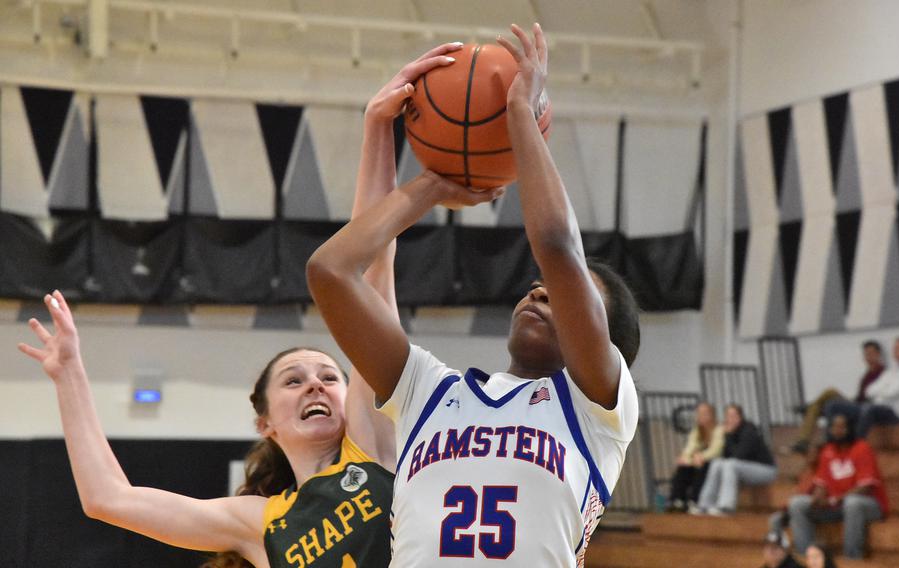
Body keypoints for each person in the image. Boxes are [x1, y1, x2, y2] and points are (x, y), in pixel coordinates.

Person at [17, 43, 465, 568]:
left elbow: (374, 265)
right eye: (294, 381)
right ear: (266, 424)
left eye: (327, 376)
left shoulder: (371, 445)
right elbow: (108, 499)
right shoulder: (259, 523)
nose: (317, 384)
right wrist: (68, 373)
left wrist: (376, 130)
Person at [307, 22, 640, 566]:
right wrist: (431, 184)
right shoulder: (427, 392)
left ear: (609, 347)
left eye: (562, 294)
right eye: (536, 288)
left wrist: (518, 117)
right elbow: (331, 270)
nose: (539, 293)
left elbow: (556, 246)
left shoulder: (597, 410)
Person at [787, 413, 888, 559]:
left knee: (852, 503)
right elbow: (821, 482)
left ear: (851, 429)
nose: (837, 431)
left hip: (869, 505)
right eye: (834, 427)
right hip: (836, 505)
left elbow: (864, 487)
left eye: (842, 427)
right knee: (797, 503)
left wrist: (834, 500)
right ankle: (805, 557)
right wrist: (817, 497)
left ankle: (852, 559)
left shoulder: (862, 448)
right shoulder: (828, 450)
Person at [790, 340, 885, 454]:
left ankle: (808, 407)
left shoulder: (883, 373)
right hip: (856, 403)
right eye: (865, 354)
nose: (868, 357)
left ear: (878, 354)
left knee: (830, 392)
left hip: (865, 407)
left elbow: (874, 397)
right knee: (815, 408)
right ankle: (802, 441)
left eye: (871, 353)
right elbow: (860, 396)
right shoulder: (867, 374)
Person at [694, 404, 777, 515]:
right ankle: (704, 504)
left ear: (740, 417)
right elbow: (724, 456)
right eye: (728, 416)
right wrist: (727, 436)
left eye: (733, 416)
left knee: (730, 464)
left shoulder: (749, 431)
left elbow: (738, 456)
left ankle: (726, 506)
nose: (730, 419)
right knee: (716, 463)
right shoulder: (730, 433)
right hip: (744, 469)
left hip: (766, 471)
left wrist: (728, 436)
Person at [825, 337, 899, 439]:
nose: (896, 351)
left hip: (894, 413)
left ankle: (857, 447)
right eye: (895, 349)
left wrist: (881, 391)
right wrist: (883, 391)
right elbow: (869, 391)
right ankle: (831, 443)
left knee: (868, 409)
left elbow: (893, 392)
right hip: (875, 407)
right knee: (833, 405)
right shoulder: (891, 371)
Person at [668, 401, 723, 512]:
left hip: (715, 461)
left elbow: (716, 450)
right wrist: (685, 458)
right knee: (683, 467)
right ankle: (678, 500)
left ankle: (694, 500)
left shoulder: (719, 430)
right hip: (698, 461)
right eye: (698, 413)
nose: (700, 416)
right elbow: (690, 447)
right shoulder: (697, 431)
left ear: (711, 415)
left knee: (703, 467)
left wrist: (701, 457)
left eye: (703, 413)